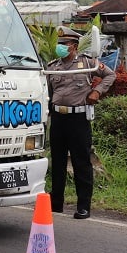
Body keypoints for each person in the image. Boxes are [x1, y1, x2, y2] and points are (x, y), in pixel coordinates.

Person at [47, 26, 116, 219]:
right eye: (59, 44)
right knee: (58, 162)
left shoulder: (88, 63)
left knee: (81, 162)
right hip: (58, 118)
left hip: (78, 118)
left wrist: (97, 91)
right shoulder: (53, 66)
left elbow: (110, 75)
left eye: (64, 44)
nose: (60, 47)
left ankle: (83, 206)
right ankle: (56, 203)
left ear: (74, 46)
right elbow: (49, 93)